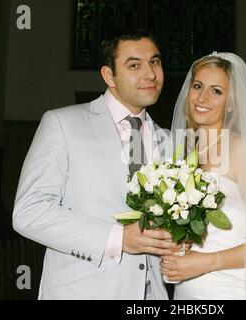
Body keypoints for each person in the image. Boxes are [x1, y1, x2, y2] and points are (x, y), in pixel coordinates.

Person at [12, 30, 179, 300]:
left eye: (155, 62)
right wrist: (118, 238)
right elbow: (29, 212)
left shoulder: (171, 142)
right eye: (134, 65)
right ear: (108, 76)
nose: (150, 74)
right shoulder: (63, 124)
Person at [161, 52, 246, 300]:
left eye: (216, 91)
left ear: (232, 102)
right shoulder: (181, 152)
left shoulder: (239, 149)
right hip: (189, 291)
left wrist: (206, 262)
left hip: (237, 290)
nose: (202, 98)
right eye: (198, 86)